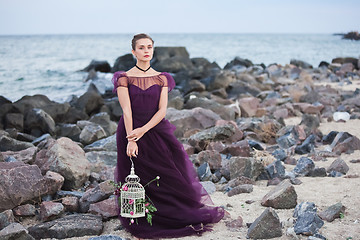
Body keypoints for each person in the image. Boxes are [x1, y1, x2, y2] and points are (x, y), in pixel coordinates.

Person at [112, 33, 224, 239]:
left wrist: (143, 130)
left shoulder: (162, 77)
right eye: (142, 48)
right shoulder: (124, 78)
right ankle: (139, 215)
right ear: (133, 52)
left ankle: (169, 213)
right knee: (136, 173)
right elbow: (127, 111)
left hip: (155, 130)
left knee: (168, 170)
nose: (146, 51)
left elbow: (162, 111)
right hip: (129, 131)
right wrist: (131, 139)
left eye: (149, 47)